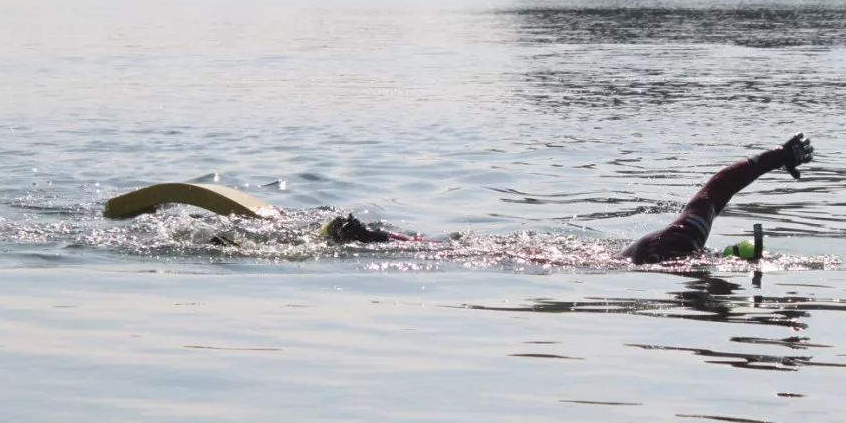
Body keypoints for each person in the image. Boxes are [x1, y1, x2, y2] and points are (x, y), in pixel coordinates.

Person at [323, 133, 814, 264]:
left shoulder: (687, 242)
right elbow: (715, 191)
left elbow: (715, 189)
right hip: (587, 263)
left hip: (590, 257)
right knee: (455, 253)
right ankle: (369, 236)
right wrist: (773, 157)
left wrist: (774, 157)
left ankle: (369, 235)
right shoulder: (681, 248)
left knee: (462, 251)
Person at [616, 133, 813, 264]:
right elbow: (720, 187)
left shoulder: (688, 236)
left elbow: (720, 186)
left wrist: (776, 156)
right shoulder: (684, 240)